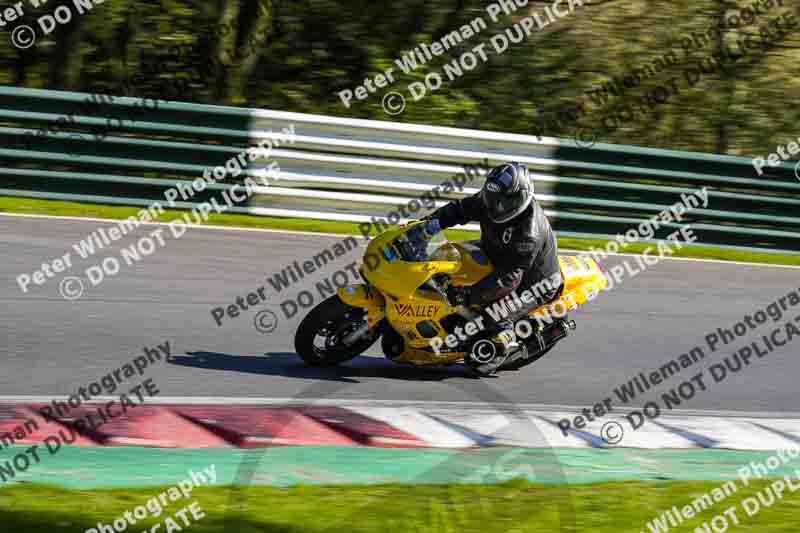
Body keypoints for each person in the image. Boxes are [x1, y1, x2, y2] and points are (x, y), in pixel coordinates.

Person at [421, 162, 563, 371]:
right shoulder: (490, 199)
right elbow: (459, 210)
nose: (496, 207)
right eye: (492, 199)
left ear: (519, 199)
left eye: (502, 202)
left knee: (494, 313)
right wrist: (427, 226)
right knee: (446, 259)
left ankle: (500, 344)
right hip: (497, 254)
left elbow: (509, 279)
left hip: (532, 283)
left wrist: (467, 295)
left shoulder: (528, 233)